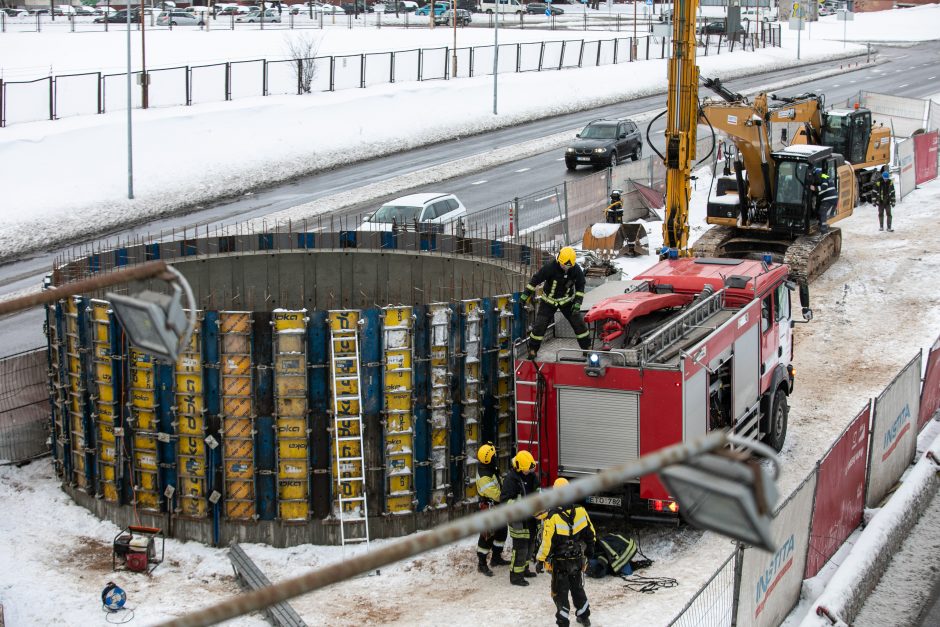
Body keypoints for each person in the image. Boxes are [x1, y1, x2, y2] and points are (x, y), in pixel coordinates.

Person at [536, 478, 597, 627]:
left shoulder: (553, 516)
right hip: (577, 558)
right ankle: (584, 617)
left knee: (560, 593)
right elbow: (591, 533)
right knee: (577, 588)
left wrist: (540, 560)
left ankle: (563, 622)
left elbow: (547, 542)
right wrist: (590, 550)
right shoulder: (580, 511)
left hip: (560, 562)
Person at [519, 247, 591, 360]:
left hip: (566, 302)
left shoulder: (576, 270)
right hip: (548, 302)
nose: (566, 268)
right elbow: (535, 280)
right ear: (559, 260)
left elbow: (580, 286)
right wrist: (525, 295)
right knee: (539, 326)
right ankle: (533, 349)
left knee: (579, 325)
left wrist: (577, 303)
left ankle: (587, 348)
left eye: (568, 266)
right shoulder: (549, 268)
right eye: (564, 265)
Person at [501, 450, 540, 586]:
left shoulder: (531, 476)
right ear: (519, 467)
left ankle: (524, 570)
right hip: (518, 520)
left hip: (531, 519)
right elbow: (505, 502)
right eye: (525, 470)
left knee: (530, 546)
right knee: (520, 549)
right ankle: (516, 576)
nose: (528, 472)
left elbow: (537, 491)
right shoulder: (511, 480)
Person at [474, 443, 509, 576]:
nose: (496, 456)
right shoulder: (484, 477)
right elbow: (497, 495)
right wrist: (508, 494)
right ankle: (481, 564)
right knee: (486, 536)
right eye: (494, 455)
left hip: (496, 507)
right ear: (489, 458)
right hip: (489, 508)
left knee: (501, 532)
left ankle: (496, 558)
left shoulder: (489, 467)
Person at [812, 166, 837, 234]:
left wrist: (814, 188)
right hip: (830, 197)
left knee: (822, 211)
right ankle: (820, 225)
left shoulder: (823, 175)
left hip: (829, 197)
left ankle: (823, 230)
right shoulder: (824, 175)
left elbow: (824, 186)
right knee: (819, 210)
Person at [873, 166, 896, 232]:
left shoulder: (890, 182)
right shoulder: (878, 182)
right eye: (884, 178)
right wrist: (874, 201)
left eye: (886, 178)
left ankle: (889, 227)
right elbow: (874, 192)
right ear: (882, 177)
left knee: (889, 214)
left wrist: (893, 201)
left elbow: (892, 192)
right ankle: (881, 226)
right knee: (880, 214)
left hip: (888, 202)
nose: (885, 180)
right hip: (880, 201)